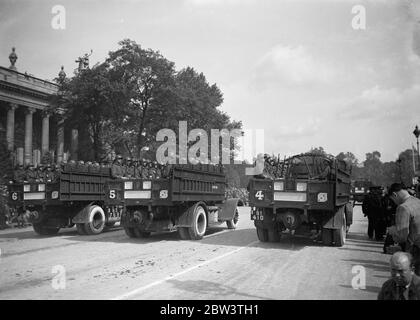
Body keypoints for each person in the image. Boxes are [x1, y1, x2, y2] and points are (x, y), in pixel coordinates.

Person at [388, 183, 420, 276]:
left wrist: (393, 231)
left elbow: (402, 237)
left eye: (393, 200)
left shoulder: (403, 207)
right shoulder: (418, 201)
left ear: (394, 194)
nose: (394, 202)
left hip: (415, 251)